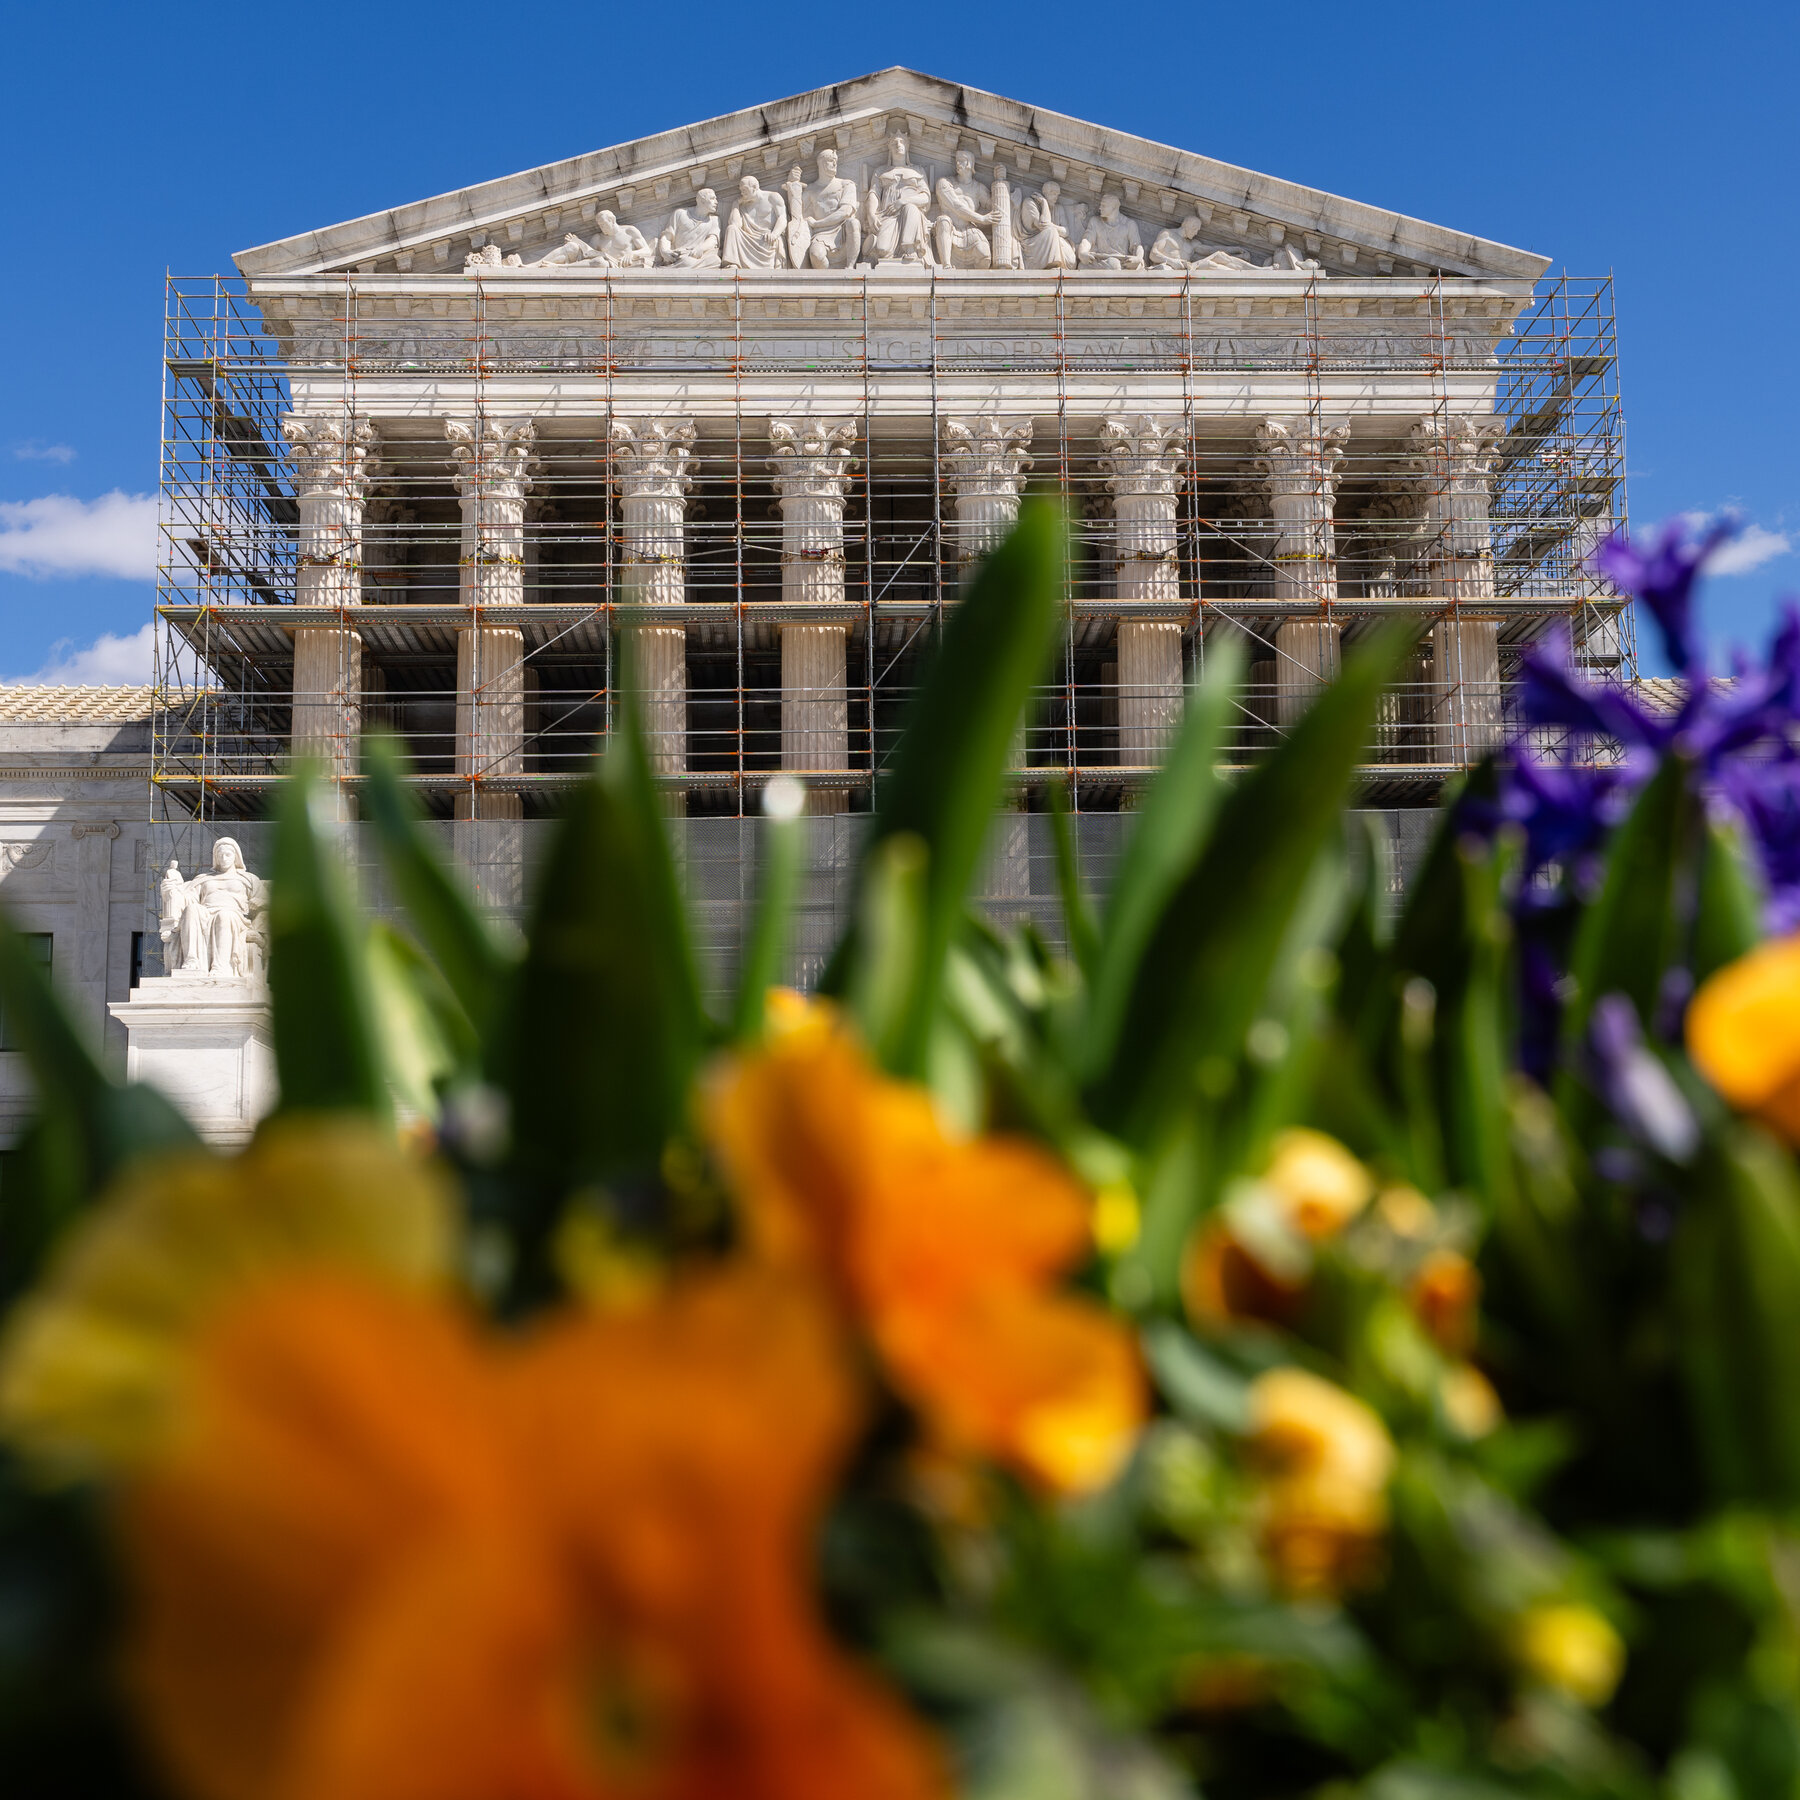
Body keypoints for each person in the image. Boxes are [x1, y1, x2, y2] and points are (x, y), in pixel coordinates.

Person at [864, 134, 934, 265]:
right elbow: (873, 194)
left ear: (907, 146)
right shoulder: (880, 171)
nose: (898, 145)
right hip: (887, 215)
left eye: (902, 142)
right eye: (894, 143)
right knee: (882, 250)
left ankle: (909, 249)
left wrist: (902, 202)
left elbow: (925, 198)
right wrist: (871, 215)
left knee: (910, 207)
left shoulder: (918, 170)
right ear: (889, 148)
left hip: (911, 215)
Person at [790, 149, 861, 269]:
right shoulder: (810, 190)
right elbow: (798, 216)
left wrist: (817, 223)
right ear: (822, 164)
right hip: (821, 234)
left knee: (853, 223)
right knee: (816, 255)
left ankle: (850, 267)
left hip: (842, 231)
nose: (835, 164)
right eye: (831, 161)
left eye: (836, 161)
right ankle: (826, 278)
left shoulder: (846, 185)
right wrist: (793, 183)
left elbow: (846, 212)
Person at [934, 149, 997, 269]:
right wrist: (982, 219)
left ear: (970, 164)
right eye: (957, 161)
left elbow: (994, 206)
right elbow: (956, 206)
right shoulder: (944, 183)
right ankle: (946, 266)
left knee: (985, 256)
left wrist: (1009, 198)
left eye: (961, 160)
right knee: (944, 221)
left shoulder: (978, 188)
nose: (958, 163)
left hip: (968, 230)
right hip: (949, 229)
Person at [1149, 214, 1262, 274]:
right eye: (1195, 229)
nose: (1196, 233)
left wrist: (1235, 249)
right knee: (1209, 264)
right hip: (1171, 268)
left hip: (1189, 268)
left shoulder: (1192, 244)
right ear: (1187, 225)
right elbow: (1153, 254)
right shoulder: (1167, 234)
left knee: (1219, 255)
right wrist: (1172, 262)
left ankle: (1256, 271)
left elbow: (1211, 249)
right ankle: (1238, 276)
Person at [721, 176, 789, 270]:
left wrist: (774, 234)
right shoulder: (743, 205)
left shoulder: (772, 197)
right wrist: (735, 204)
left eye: (745, 189)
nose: (742, 193)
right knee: (731, 228)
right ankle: (732, 264)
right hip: (748, 240)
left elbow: (782, 218)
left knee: (771, 240)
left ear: (754, 187)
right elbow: (734, 224)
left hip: (767, 239)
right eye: (741, 190)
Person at [1078, 193, 1145, 271]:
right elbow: (1087, 240)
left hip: (1121, 262)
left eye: (1103, 205)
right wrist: (1082, 253)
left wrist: (1138, 258)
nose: (1100, 208)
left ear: (1113, 207)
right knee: (1082, 266)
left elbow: (1137, 246)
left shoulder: (1129, 224)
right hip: (1099, 261)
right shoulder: (1095, 221)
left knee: (1114, 264)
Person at [657, 189, 722, 267]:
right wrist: (664, 251)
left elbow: (712, 240)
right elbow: (667, 237)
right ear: (702, 200)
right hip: (681, 255)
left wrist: (701, 248)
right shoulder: (680, 214)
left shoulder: (714, 220)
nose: (716, 202)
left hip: (699, 255)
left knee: (716, 260)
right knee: (687, 262)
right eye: (712, 198)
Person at [1019, 190, 1077, 269]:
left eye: (1057, 195)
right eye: (1053, 194)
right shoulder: (1029, 202)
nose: (1056, 197)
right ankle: (1053, 264)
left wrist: (1051, 225)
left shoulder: (1058, 208)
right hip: (1032, 242)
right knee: (1051, 231)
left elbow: (1065, 232)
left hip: (1051, 238)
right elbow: (1043, 224)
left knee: (1071, 261)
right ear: (1045, 193)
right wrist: (1044, 203)